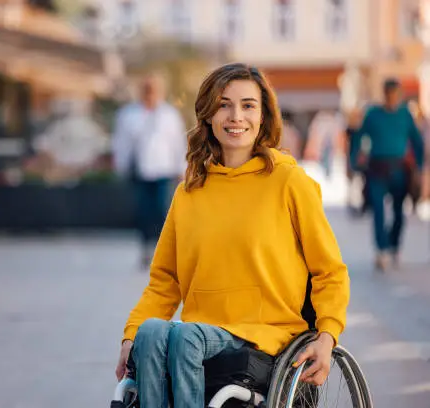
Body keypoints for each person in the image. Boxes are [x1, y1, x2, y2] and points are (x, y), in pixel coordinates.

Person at [114, 63, 351, 408]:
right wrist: (130, 335)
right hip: (201, 334)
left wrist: (327, 335)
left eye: (247, 105)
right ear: (208, 115)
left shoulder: (290, 183)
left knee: (185, 339)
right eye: (224, 104)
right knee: (150, 332)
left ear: (263, 115)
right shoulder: (190, 192)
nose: (235, 116)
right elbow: (164, 280)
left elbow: (328, 271)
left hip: (266, 335)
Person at [112, 73, 188, 269]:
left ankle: (164, 252)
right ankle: (146, 248)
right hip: (140, 170)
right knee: (143, 211)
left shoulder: (169, 114)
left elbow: (177, 143)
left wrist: (182, 167)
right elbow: (122, 142)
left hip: (164, 169)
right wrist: (121, 165)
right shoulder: (129, 114)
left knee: (162, 210)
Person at [349, 78, 425, 271]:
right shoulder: (373, 114)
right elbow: (358, 136)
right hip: (377, 168)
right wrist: (353, 161)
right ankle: (381, 249)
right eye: (389, 95)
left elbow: (416, 141)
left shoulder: (405, 114)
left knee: (399, 212)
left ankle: (394, 245)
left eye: (395, 95)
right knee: (379, 211)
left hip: (399, 169)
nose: (392, 99)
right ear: (384, 94)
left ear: (399, 95)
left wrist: (420, 167)